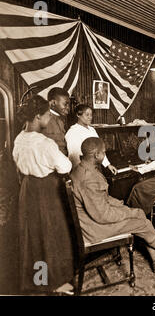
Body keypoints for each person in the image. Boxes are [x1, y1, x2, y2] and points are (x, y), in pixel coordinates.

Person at [70, 137, 155, 273]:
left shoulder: (80, 169)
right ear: (96, 155)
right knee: (142, 222)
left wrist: (121, 205)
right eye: (104, 152)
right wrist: (130, 212)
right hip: (94, 229)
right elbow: (102, 216)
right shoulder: (89, 179)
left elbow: (103, 199)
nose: (105, 155)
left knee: (139, 215)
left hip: (90, 221)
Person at [12, 95, 74, 295]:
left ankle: (38, 281)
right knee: (51, 236)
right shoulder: (44, 142)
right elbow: (65, 166)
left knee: (33, 237)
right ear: (38, 116)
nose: (49, 118)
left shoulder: (19, 138)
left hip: (27, 189)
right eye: (48, 114)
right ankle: (54, 283)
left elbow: (16, 162)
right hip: (46, 191)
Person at [65, 104, 117, 175]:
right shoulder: (73, 132)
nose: (90, 117)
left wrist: (108, 165)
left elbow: (100, 149)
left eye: (91, 115)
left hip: (96, 167)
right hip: (84, 170)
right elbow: (74, 157)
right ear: (78, 115)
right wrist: (81, 173)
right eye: (87, 115)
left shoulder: (92, 129)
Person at [41, 87, 70, 155]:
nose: (68, 108)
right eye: (65, 104)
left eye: (69, 104)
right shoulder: (46, 121)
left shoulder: (59, 118)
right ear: (53, 103)